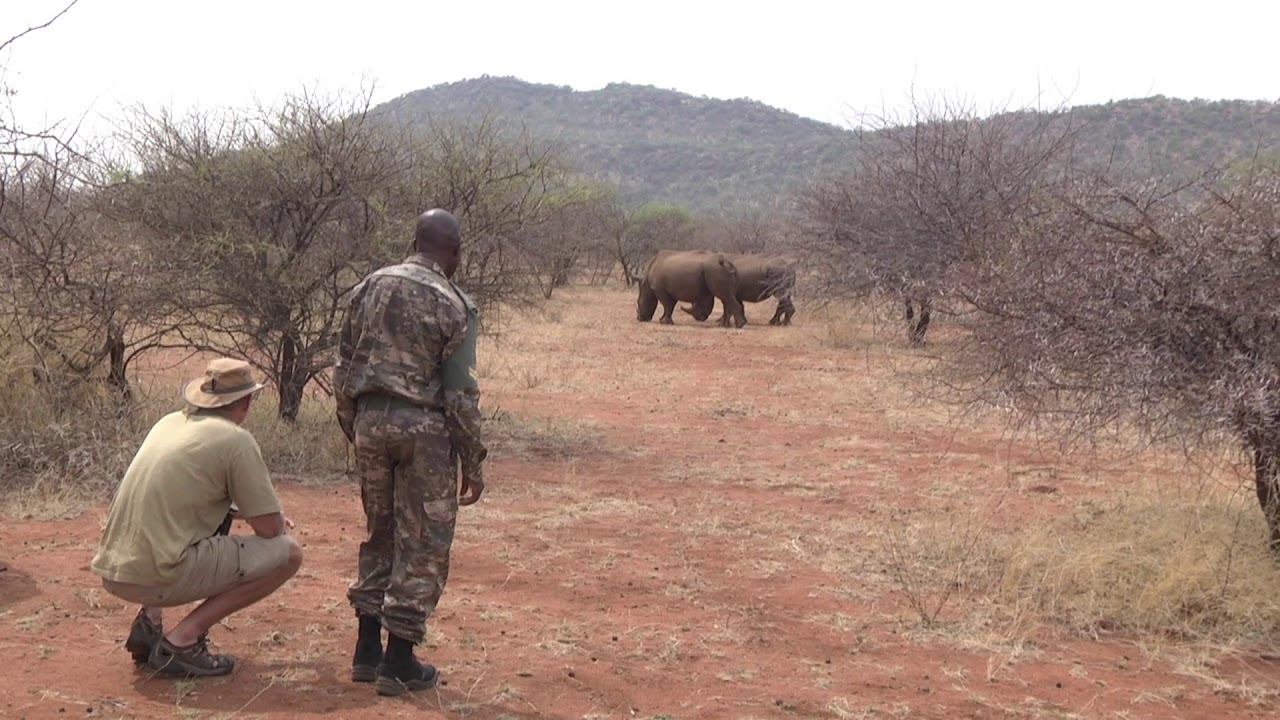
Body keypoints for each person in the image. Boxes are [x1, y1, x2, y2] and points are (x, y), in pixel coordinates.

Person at [333, 207, 488, 697]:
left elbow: (342, 367)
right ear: (455, 253)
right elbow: (460, 394)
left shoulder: (368, 286)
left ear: (413, 241)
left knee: (380, 533)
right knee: (422, 543)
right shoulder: (453, 302)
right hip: (424, 431)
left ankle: (366, 651)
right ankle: (399, 660)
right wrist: (472, 458)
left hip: (369, 423)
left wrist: (354, 427)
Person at [90, 358, 303, 677]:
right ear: (245, 402)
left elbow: (192, 497)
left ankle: (150, 623)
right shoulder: (235, 440)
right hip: (158, 575)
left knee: (213, 519)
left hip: (114, 571)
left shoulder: (169, 422)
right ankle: (182, 642)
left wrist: (242, 509)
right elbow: (271, 530)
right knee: (289, 554)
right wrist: (270, 514)